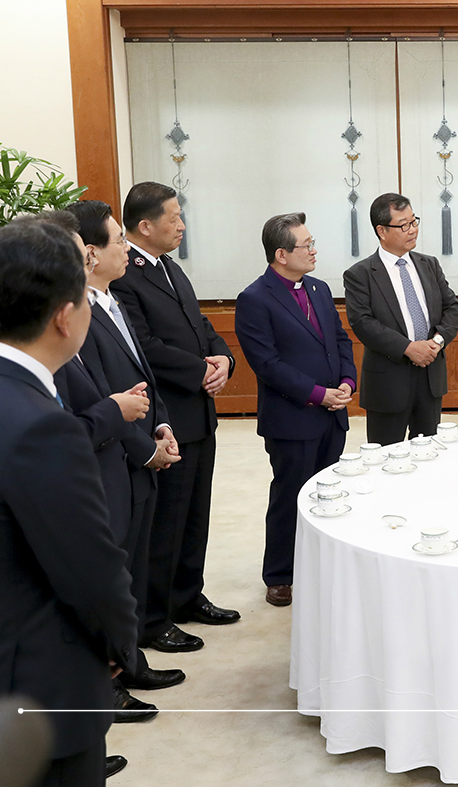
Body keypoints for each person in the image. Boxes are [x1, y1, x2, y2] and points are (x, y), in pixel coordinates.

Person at [0, 218, 139, 787]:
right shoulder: (42, 426)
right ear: (64, 314)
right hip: (38, 685)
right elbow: (91, 572)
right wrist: (116, 645)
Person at [111, 181, 240, 654]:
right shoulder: (126, 275)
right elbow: (144, 347)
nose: (182, 225)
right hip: (167, 415)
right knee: (165, 523)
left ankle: (187, 596)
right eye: (174, 217)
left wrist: (223, 359)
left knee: (194, 516)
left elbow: (201, 327)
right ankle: (155, 617)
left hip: (200, 412)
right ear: (145, 226)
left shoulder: (171, 269)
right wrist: (199, 370)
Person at [67, 200, 187, 701]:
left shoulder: (115, 302)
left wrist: (159, 424)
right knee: (110, 572)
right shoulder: (80, 315)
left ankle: (131, 659)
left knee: (135, 564)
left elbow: (141, 376)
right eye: (119, 241)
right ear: (90, 254)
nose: (126, 250)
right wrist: (144, 450)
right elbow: (95, 397)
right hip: (115, 455)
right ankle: (109, 680)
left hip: (138, 443)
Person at [236, 213, 356, 607]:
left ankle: (322, 566)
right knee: (291, 496)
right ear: (281, 254)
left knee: (328, 495)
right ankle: (280, 575)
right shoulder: (254, 299)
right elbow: (267, 365)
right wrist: (316, 393)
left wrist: (346, 383)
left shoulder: (319, 289)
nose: (314, 250)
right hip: (292, 418)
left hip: (332, 414)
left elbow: (340, 341)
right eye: (307, 245)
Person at [343, 193, 458, 445]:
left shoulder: (429, 265)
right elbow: (363, 323)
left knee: (429, 454)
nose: (412, 230)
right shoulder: (360, 274)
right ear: (382, 231)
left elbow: (452, 307)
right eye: (403, 225)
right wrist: (408, 348)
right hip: (388, 383)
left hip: (430, 377)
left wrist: (436, 342)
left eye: (414, 222)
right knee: (386, 458)